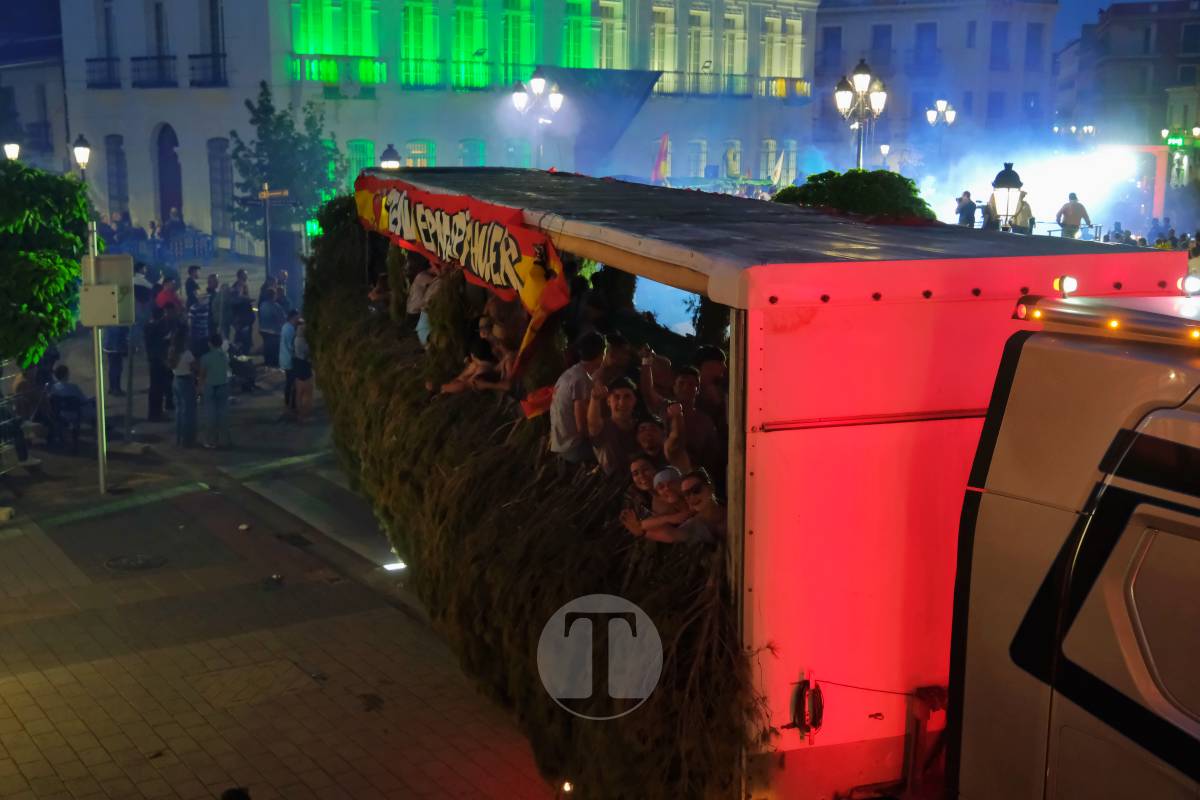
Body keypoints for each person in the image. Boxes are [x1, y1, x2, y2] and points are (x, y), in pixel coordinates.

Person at [550, 331, 606, 468]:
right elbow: (582, 426)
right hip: (573, 447)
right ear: (601, 354)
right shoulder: (581, 379)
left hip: (561, 443)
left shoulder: (572, 372)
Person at [644, 468, 726, 543]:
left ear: (710, 487)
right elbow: (670, 535)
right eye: (687, 494)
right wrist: (669, 519)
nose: (667, 488)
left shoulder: (727, 503)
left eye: (696, 490)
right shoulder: (695, 524)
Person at [587, 377, 640, 476]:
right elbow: (593, 424)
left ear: (635, 400)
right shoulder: (603, 428)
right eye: (616, 397)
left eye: (627, 396)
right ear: (608, 401)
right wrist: (594, 399)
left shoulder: (642, 426)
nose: (622, 402)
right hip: (615, 482)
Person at [197, 332, 231, 449]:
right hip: (223, 386)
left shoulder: (205, 358)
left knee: (210, 416)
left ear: (210, 344)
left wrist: (199, 388)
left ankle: (211, 441)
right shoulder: (225, 356)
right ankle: (225, 440)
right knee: (223, 414)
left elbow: (202, 375)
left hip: (210, 387)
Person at [168, 329, 197, 446]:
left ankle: (179, 437)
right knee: (188, 411)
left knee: (179, 410)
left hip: (176, 380)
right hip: (186, 381)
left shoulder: (172, 352)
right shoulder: (187, 354)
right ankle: (187, 439)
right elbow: (194, 367)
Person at [144, 306, 173, 421]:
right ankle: (155, 414)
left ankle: (156, 413)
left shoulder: (149, 326)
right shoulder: (156, 327)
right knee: (157, 388)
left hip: (154, 359)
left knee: (156, 388)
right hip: (158, 360)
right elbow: (160, 341)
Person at [407, 260, 443, 346]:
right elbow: (441, 280)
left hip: (415, 310)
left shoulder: (422, 277)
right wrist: (436, 268)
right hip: (415, 311)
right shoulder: (422, 277)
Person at [292, 321, 314, 422]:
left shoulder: (296, 339)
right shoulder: (302, 341)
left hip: (298, 365)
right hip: (304, 366)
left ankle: (301, 415)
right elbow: (306, 355)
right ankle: (304, 415)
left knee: (300, 392)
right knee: (306, 392)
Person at [280, 309, 301, 412]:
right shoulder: (290, 329)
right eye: (298, 317)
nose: (299, 319)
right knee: (292, 383)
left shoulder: (286, 326)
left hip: (285, 358)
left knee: (290, 382)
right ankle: (292, 404)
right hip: (290, 359)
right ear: (293, 317)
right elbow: (291, 346)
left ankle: (289, 402)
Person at [258, 288, 284, 368]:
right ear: (274, 296)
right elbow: (281, 319)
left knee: (267, 348)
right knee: (274, 350)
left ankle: (267, 363)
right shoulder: (276, 306)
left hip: (263, 330)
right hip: (274, 332)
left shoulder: (262, 305)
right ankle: (273, 366)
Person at [101, 326, 128, 396]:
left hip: (109, 345)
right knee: (117, 368)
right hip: (116, 346)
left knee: (112, 368)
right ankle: (116, 389)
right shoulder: (118, 324)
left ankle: (112, 388)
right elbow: (121, 332)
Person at [188, 287, 212, 357]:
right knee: (197, 354)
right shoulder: (193, 308)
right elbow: (190, 322)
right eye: (205, 298)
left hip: (205, 335)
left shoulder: (207, 307)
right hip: (196, 336)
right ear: (199, 299)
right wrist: (191, 334)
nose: (207, 299)